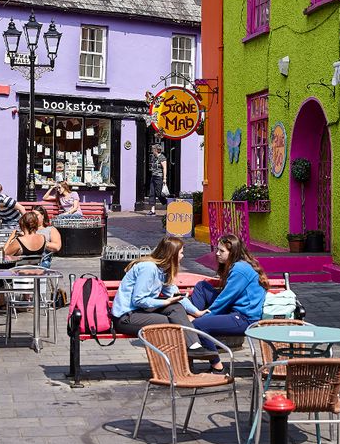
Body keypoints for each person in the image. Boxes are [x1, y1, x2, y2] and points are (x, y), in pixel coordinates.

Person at [184, 234, 269, 371]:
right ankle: (192, 315)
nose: (217, 253)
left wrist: (203, 317)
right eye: (217, 250)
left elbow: (225, 299)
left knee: (198, 325)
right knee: (202, 287)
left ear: (233, 252)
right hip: (234, 309)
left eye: (221, 251)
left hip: (245, 318)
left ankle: (217, 367)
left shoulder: (240, 270)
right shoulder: (237, 265)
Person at [111, 236, 194, 337]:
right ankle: (191, 348)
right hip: (126, 317)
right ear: (172, 255)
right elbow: (138, 300)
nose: (183, 256)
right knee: (173, 321)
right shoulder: (149, 268)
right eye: (181, 253)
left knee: (177, 308)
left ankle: (195, 347)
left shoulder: (163, 270)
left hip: (141, 312)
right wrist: (166, 302)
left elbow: (175, 294)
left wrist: (196, 312)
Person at [147, 143, 168, 214]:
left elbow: (165, 168)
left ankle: (169, 205)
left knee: (159, 194)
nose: (152, 150)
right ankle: (152, 210)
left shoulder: (162, 157)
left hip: (159, 177)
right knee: (151, 193)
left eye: (153, 149)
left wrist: (164, 178)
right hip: (153, 177)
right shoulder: (153, 157)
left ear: (156, 150)